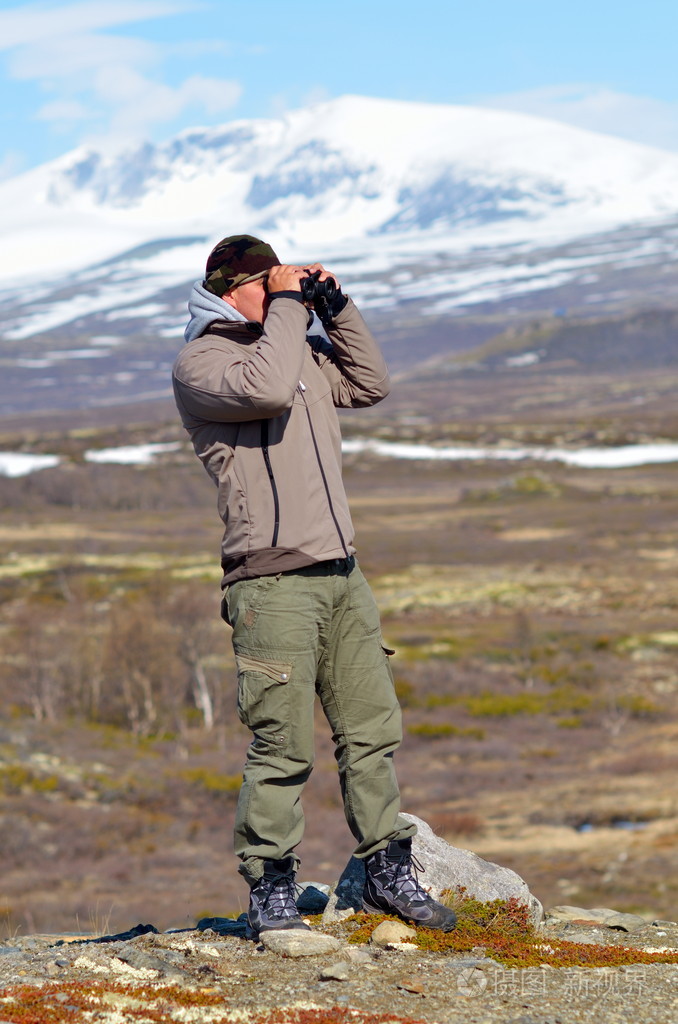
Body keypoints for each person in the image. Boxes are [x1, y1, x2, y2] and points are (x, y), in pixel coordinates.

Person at [172, 235, 456, 939]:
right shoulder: (203, 362)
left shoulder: (292, 342)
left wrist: (337, 307)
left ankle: (389, 873)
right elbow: (267, 385)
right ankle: (271, 887)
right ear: (234, 287)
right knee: (282, 743)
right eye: (267, 284)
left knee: (372, 729)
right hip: (272, 584)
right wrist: (292, 307)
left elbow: (368, 383)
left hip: (341, 573)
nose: (279, 293)